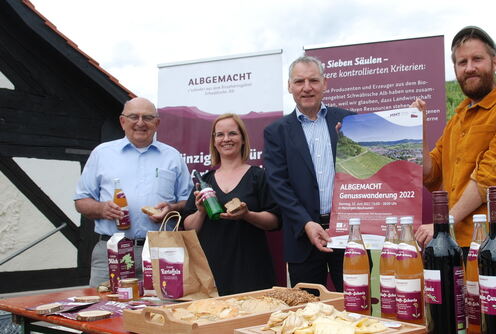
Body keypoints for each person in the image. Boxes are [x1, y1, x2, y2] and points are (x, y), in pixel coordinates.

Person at [413, 26, 496, 253]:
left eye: (477, 59)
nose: (469, 68)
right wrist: (417, 130)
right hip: (454, 244)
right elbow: (430, 174)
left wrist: (443, 223)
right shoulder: (457, 120)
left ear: (495, 62)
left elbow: (490, 176)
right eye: (462, 62)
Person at [74, 97, 193, 287]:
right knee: (105, 310)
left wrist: (171, 208)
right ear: (122, 122)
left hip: (160, 251)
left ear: (157, 123)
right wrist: (102, 208)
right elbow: (81, 201)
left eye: (147, 117)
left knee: (160, 311)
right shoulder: (102, 153)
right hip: (111, 251)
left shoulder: (172, 156)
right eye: (133, 117)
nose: (140, 123)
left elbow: (188, 203)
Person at [263, 55, 355, 292]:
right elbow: (278, 184)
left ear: (325, 83)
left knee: (356, 306)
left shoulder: (349, 121)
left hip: (349, 234)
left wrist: (412, 118)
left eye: (313, 80)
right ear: (289, 86)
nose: (306, 88)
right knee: (307, 312)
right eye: (299, 81)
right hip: (302, 237)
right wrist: (306, 222)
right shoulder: (276, 132)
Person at [183, 113, 280, 295]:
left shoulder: (258, 176)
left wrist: (247, 215)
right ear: (214, 141)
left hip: (251, 269)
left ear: (243, 139)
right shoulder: (204, 180)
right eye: (220, 134)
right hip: (211, 270)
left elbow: (274, 221)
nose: (226, 139)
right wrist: (201, 212)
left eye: (232, 134)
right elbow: (189, 229)